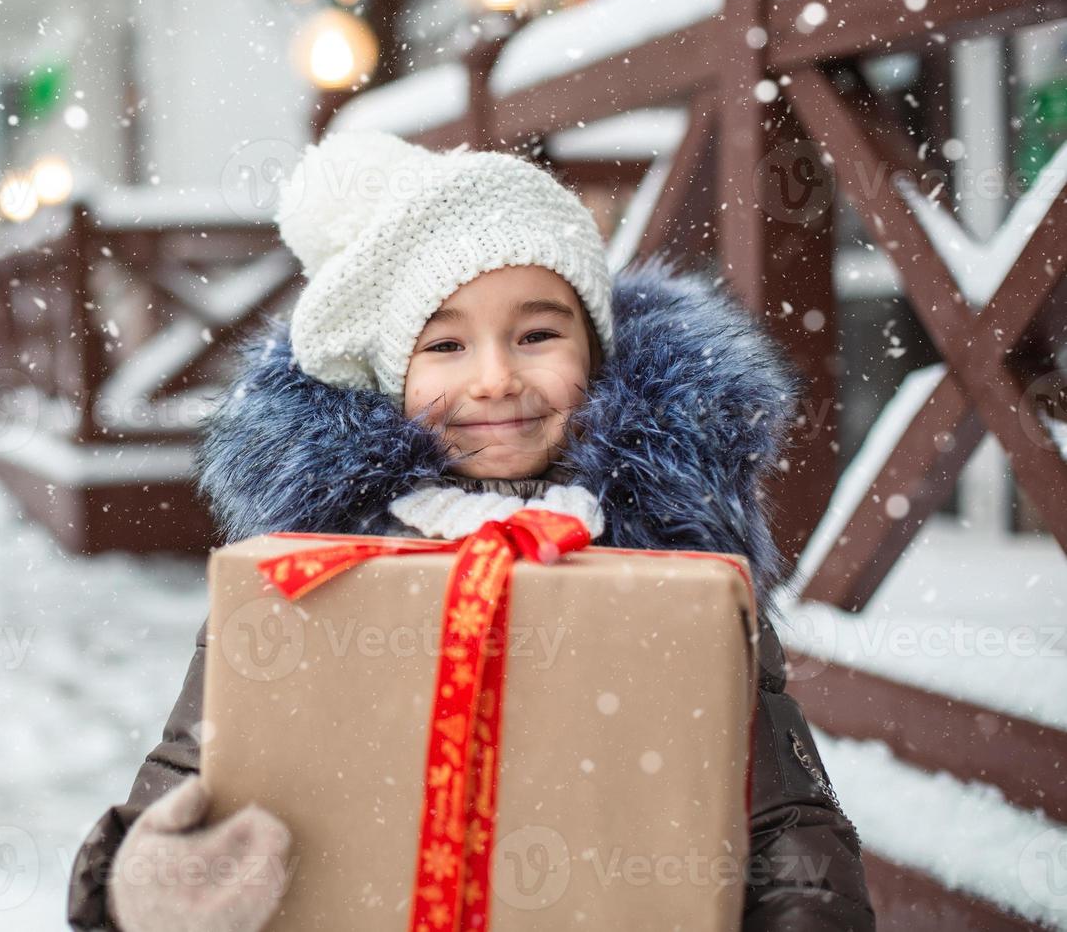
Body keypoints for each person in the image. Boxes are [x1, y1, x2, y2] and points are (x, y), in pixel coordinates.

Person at [67, 130, 876, 932]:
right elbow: (191, 775)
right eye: (447, 344)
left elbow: (784, 820)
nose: (495, 378)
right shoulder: (309, 577)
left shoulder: (672, 567)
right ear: (395, 375)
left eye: (537, 335)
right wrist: (137, 890)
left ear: (593, 352)